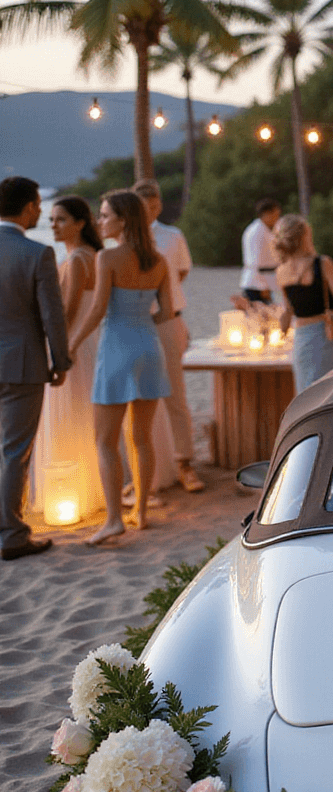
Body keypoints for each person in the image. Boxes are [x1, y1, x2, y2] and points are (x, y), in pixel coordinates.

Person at [68, 190, 172, 545]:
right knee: (141, 438)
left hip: (116, 350)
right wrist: (140, 322)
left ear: (123, 220)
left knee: (105, 441)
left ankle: (114, 519)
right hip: (149, 349)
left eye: (105, 215)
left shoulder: (108, 257)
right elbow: (167, 312)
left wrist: (71, 345)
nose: (99, 221)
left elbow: (97, 310)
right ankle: (140, 512)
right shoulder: (159, 260)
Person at [0, 175, 71, 560]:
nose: (40, 213)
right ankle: (12, 535)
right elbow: (51, 316)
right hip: (22, 365)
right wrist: (60, 361)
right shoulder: (37, 254)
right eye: (39, 207)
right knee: (15, 452)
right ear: (29, 207)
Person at [28, 195, 105, 524]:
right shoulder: (95, 255)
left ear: (80, 223)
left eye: (60, 219)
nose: (53, 226)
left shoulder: (76, 260)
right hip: (93, 342)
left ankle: (77, 489)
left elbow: (69, 312)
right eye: (51, 220)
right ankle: (91, 485)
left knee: (70, 414)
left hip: (75, 342)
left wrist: (56, 348)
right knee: (86, 413)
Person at [134, 180, 204, 491]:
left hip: (168, 320)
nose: (152, 210)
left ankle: (184, 462)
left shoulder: (173, 236)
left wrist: (167, 294)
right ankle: (148, 468)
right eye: (145, 205)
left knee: (176, 394)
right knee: (140, 397)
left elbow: (182, 271)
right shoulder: (123, 240)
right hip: (136, 323)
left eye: (155, 204)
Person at [275, 215, 333, 391]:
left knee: (306, 393)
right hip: (326, 336)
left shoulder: (281, 271)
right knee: (330, 391)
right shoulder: (323, 263)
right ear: (305, 236)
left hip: (301, 339)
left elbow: (287, 310)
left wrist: (280, 334)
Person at [240, 197, 282, 303]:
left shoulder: (265, 229)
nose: (277, 218)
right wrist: (263, 287)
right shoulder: (256, 232)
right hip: (257, 285)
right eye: (276, 215)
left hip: (263, 283)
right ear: (267, 214)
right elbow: (256, 263)